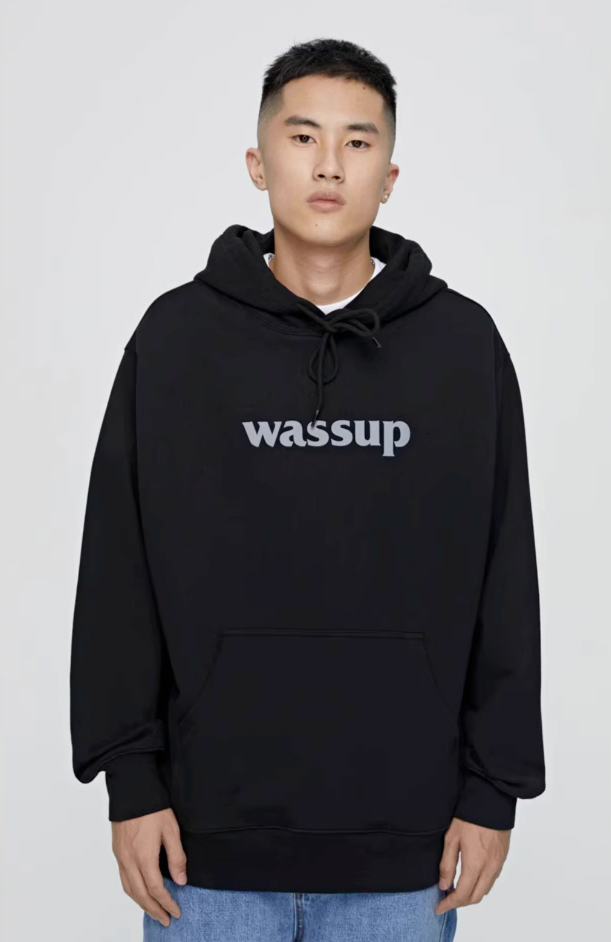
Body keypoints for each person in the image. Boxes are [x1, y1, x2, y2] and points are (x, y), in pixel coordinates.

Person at [69, 37, 546, 941]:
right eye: (303, 137)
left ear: (389, 176)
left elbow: (504, 575)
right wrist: (129, 781)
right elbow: (118, 571)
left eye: (358, 142)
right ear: (258, 163)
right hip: (202, 854)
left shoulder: (461, 350)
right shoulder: (175, 343)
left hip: (406, 855)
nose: (330, 164)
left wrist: (495, 791)